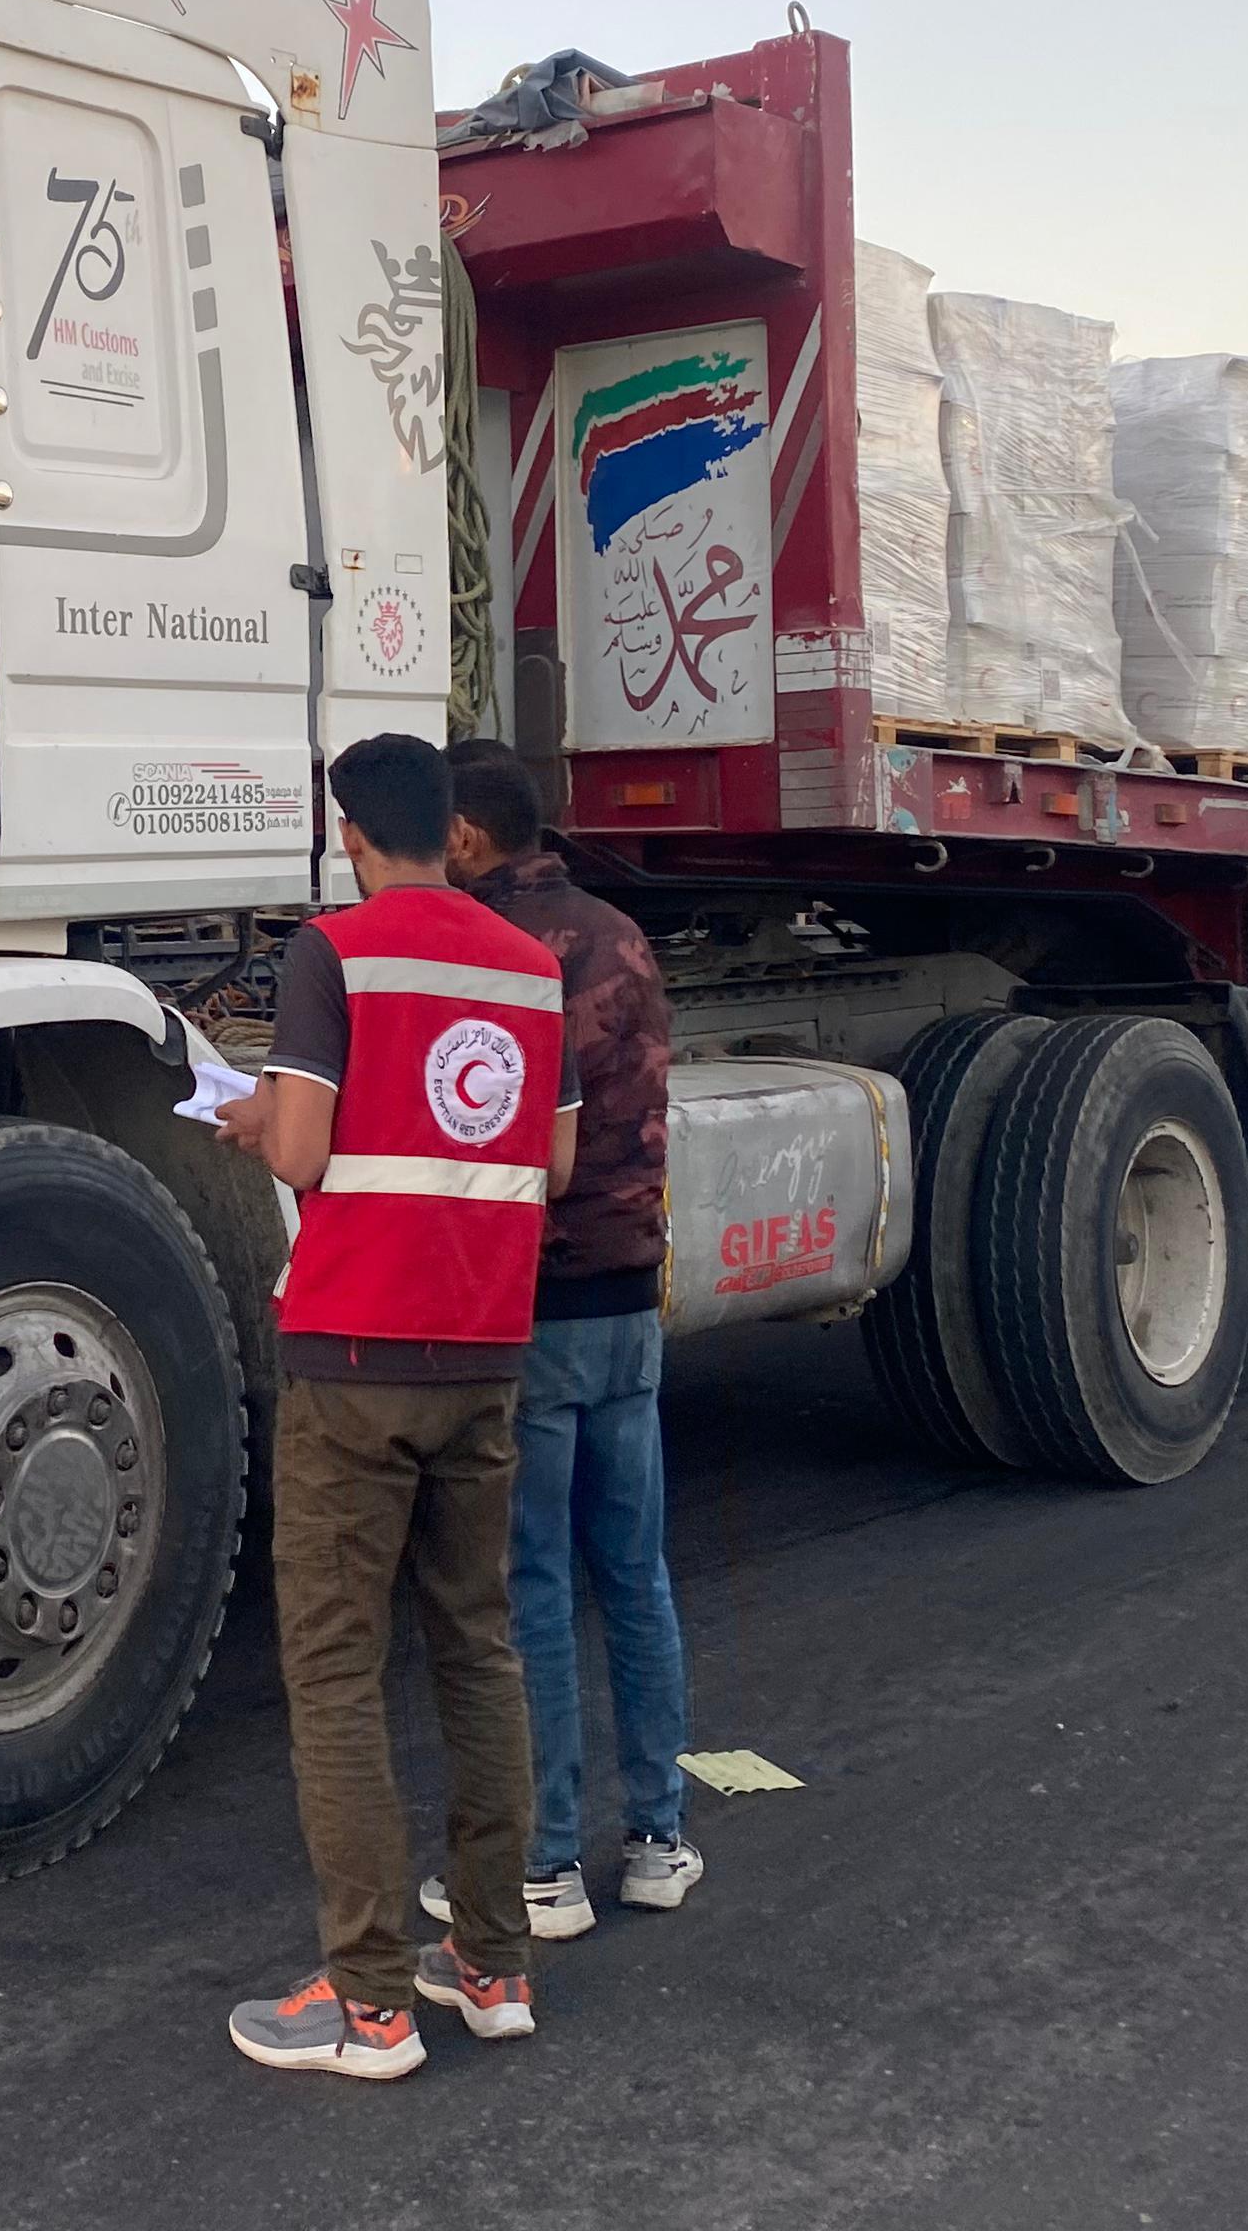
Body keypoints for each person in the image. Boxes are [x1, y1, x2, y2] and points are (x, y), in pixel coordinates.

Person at [217, 734, 579, 2081]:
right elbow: (548, 1154)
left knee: (334, 1668)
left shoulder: (338, 950)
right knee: (478, 1649)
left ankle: (368, 2002)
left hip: (355, 1356)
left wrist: (254, 1122)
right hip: (483, 1350)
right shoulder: (532, 964)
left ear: (353, 835)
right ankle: (490, 1966)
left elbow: (306, 1148)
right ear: (453, 831)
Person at [420, 738, 702, 1942]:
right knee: (634, 1576)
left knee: (528, 1583)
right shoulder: (623, 935)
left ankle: (543, 1864)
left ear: (470, 839)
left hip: (532, 1307)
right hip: (630, 1300)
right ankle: (658, 1839)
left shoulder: (489, 951)